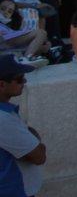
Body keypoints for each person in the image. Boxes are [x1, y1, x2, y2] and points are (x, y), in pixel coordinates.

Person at [0, 54, 44, 197]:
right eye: (19, 79)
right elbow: (39, 156)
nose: (24, 81)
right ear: (1, 84)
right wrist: (35, 139)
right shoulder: (3, 119)